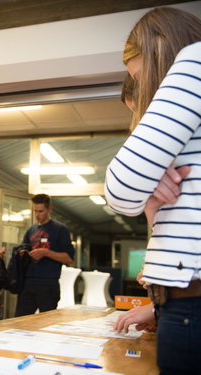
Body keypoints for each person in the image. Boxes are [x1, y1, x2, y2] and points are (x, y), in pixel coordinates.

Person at [104, 7, 201, 375]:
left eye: (144, 79)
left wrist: (145, 177)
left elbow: (121, 188)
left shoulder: (194, 59)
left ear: (162, 50)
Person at [14, 193, 75, 316]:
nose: (37, 215)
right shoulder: (30, 230)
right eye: (35, 211)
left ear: (49, 209)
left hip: (48, 284)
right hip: (28, 283)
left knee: (47, 323)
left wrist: (46, 252)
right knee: (20, 322)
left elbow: (69, 259)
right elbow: (23, 250)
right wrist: (21, 253)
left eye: (41, 211)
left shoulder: (60, 229)